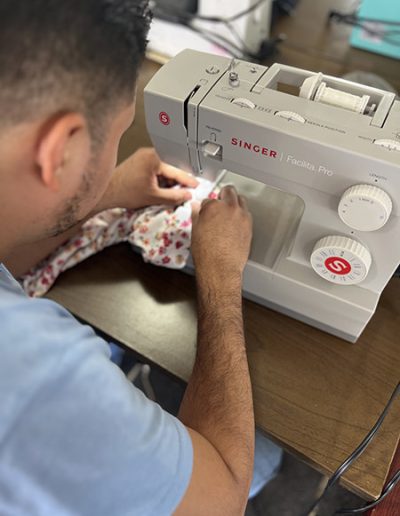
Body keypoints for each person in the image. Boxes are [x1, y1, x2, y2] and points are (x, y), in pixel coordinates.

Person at [0, 1, 280, 514]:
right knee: (266, 453)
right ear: (60, 149)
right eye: (118, 130)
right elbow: (222, 501)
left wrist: (103, 190)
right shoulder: (33, 368)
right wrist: (219, 277)